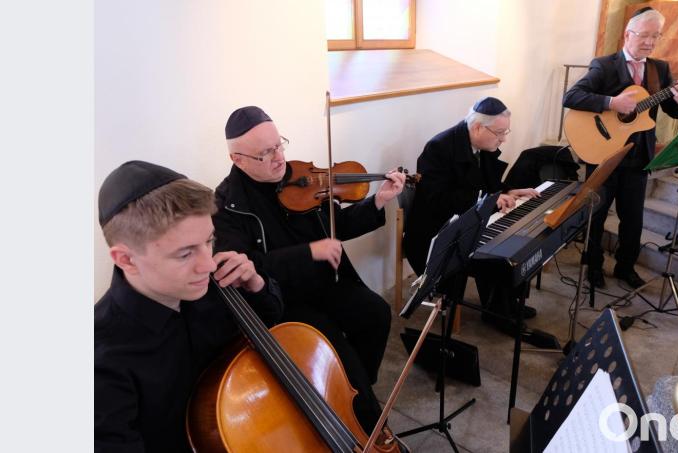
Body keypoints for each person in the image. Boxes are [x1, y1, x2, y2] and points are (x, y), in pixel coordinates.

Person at [212, 106, 406, 435]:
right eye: (265, 153)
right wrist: (308, 252)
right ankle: (366, 420)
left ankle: (353, 392)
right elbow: (248, 268)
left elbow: (337, 224)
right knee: (335, 352)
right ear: (237, 159)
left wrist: (376, 202)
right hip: (284, 301)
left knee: (375, 313)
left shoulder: (300, 176)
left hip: (327, 283)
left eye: (279, 145)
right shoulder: (228, 205)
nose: (279, 158)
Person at [94, 161, 283, 452]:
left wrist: (256, 285)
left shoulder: (213, 282)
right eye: (184, 254)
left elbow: (271, 320)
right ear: (126, 260)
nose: (208, 263)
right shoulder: (101, 361)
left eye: (209, 241)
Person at [563, 7, 678, 289]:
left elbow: (671, 108)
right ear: (627, 34)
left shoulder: (660, 69)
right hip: (603, 154)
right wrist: (612, 103)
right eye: (645, 35)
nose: (650, 42)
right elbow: (571, 96)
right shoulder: (604, 65)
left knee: (633, 220)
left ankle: (625, 267)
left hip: (638, 158)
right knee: (596, 218)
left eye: (655, 37)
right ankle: (594, 267)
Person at [403, 97, 542, 335]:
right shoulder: (439, 148)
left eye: (505, 132)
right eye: (499, 133)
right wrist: (487, 202)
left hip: (466, 221)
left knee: (515, 239)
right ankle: (498, 312)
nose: (503, 139)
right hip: (436, 234)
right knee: (498, 250)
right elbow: (438, 201)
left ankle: (503, 305)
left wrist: (507, 192)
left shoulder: (480, 144)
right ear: (478, 127)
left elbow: (487, 184)